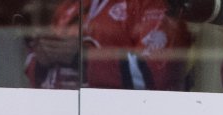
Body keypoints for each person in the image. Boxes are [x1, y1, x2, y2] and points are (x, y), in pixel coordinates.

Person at [26, 0, 193, 90]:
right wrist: (43, 59)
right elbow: (31, 64)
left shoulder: (153, 5)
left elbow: (157, 74)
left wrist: (83, 57)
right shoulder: (70, 6)